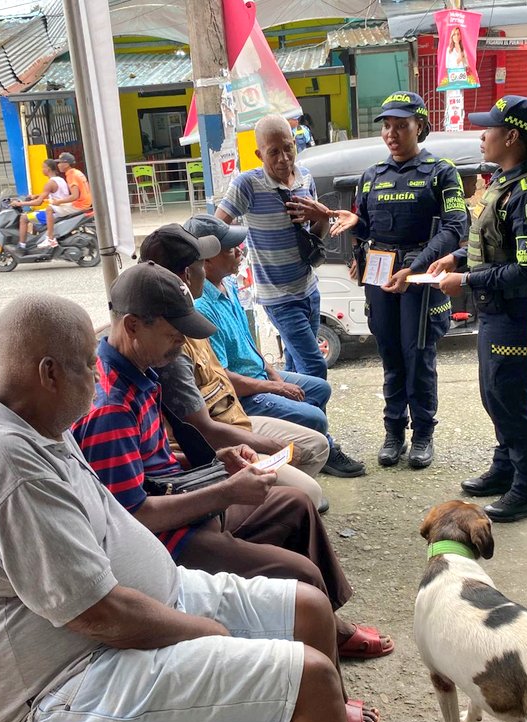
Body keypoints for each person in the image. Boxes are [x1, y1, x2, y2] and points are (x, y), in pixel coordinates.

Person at [0, 293, 356, 722]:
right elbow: (100, 615)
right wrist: (206, 632)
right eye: (89, 365)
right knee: (311, 679)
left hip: (146, 603)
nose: (98, 376)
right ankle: (306, 712)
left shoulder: (37, 416)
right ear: (49, 374)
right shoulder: (9, 467)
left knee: (310, 608)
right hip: (63, 682)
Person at [72, 262, 391, 722]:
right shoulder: (111, 406)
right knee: (300, 575)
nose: (181, 343)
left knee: (296, 506)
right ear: (134, 326)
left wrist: (216, 461)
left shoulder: (141, 371)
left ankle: (328, 630)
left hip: (181, 502)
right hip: (163, 544)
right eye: (173, 333)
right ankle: (324, 703)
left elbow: (154, 466)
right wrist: (225, 490)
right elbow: (131, 517)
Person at [290, 91, 468, 469]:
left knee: (418, 356)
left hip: (421, 275)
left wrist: (416, 267)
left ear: (420, 127)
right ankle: (393, 433)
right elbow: (368, 228)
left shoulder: (441, 172)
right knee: (389, 354)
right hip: (381, 272)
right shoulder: (371, 176)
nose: (391, 133)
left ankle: (423, 435)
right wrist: (356, 228)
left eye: (401, 126)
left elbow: (455, 228)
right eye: (387, 126)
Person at [429, 96, 527, 522]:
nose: (482, 136)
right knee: (494, 394)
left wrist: (465, 282)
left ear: (513, 136)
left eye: (489, 129)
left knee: (512, 398)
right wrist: (457, 259)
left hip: (516, 316)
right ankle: (505, 468)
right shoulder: (503, 182)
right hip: (495, 312)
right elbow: (492, 244)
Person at [142, 220, 332, 509]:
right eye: (200, 262)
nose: (205, 269)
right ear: (186, 275)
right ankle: (271, 509)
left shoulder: (199, 308)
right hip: (219, 437)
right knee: (309, 492)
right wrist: (273, 445)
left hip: (235, 417)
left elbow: (237, 356)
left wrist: (273, 378)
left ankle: (275, 505)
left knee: (316, 443)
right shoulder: (173, 339)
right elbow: (204, 430)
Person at [191, 220, 365, 479]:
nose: (239, 252)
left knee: (320, 388)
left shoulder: (229, 285)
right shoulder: (203, 307)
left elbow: (249, 343)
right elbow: (223, 379)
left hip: (257, 376)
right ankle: (314, 452)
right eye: (229, 249)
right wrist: (274, 388)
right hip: (241, 395)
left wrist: (274, 376)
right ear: (207, 261)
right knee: (315, 417)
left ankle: (316, 446)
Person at [215, 114, 330, 380]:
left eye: (288, 148)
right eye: (273, 152)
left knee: (295, 366)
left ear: (295, 144)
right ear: (259, 154)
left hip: (309, 289)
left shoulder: (305, 178)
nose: (283, 158)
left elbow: (315, 238)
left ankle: (287, 405)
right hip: (278, 297)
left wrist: (322, 218)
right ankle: (312, 409)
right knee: (315, 367)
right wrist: (228, 256)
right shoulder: (247, 185)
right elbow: (216, 226)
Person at [9, 158, 71, 251]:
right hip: (61, 210)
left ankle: (21, 246)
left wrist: (20, 204)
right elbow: (54, 194)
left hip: (55, 212)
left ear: (48, 169)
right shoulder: (60, 180)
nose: (42, 170)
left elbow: (38, 202)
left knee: (24, 218)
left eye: (43, 167)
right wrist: (36, 196)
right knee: (34, 216)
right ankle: (35, 244)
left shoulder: (50, 183)